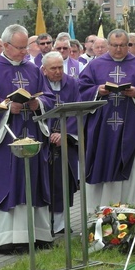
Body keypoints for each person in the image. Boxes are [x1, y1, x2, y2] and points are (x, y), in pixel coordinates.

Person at [0, 24, 54, 252]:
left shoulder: (33, 70)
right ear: (6, 46)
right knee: (6, 182)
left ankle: (36, 235)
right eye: (20, 48)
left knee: (31, 183)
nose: (24, 52)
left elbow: (48, 96)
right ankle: (2, 238)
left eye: (26, 47)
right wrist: (9, 108)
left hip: (31, 134)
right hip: (4, 141)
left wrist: (37, 103)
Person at [78, 29, 135, 212]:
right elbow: (81, 89)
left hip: (129, 127)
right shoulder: (95, 65)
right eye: (114, 45)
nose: (119, 49)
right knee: (100, 164)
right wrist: (98, 90)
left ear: (128, 45)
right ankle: (97, 213)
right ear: (108, 45)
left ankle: (129, 213)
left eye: (123, 45)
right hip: (101, 129)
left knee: (130, 168)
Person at [41, 51, 79, 235]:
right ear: (44, 70)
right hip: (44, 140)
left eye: (60, 67)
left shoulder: (71, 83)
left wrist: (64, 133)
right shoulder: (39, 83)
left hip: (66, 141)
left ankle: (62, 223)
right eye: (53, 68)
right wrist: (47, 133)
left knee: (64, 181)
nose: (58, 72)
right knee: (46, 181)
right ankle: (46, 224)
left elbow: (76, 108)